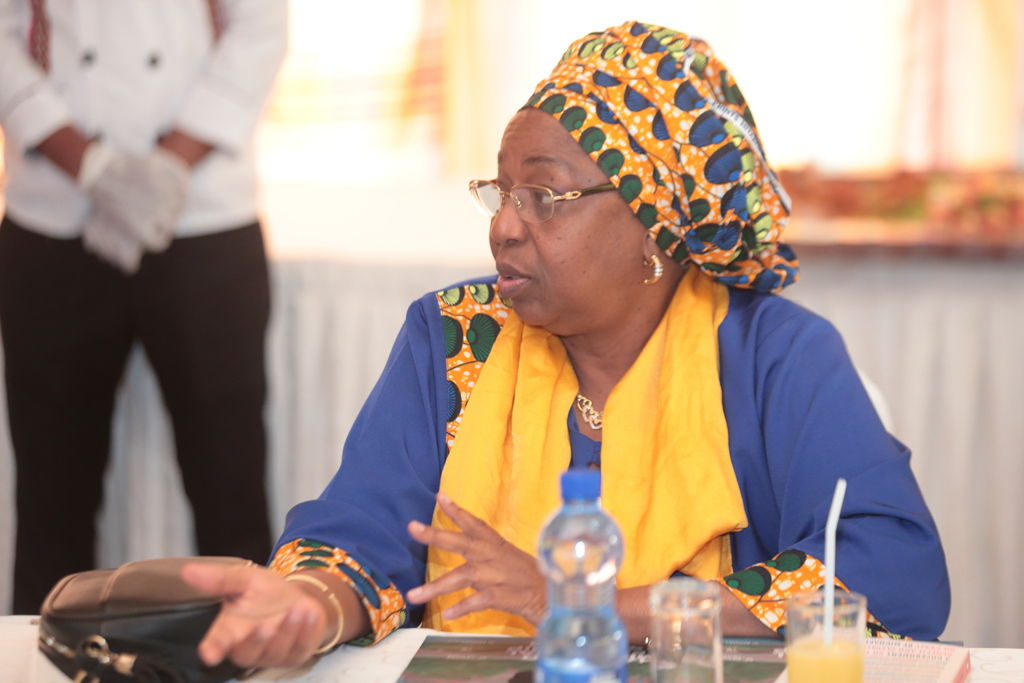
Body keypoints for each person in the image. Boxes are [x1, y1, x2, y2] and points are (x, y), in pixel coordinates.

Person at [181, 22, 951, 669]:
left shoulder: (771, 354)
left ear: (654, 225)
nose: (504, 226)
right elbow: (363, 533)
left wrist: (589, 605)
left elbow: (890, 574)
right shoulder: (454, 337)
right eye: (501, 191)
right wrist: (311, 604)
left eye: (543, 197)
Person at [0, 0, 288, 614]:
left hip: (205, 216)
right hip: (51, 216)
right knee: (51, 508)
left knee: (231, 498)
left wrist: (165, 167)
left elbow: (260, 23)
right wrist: (92, 165)